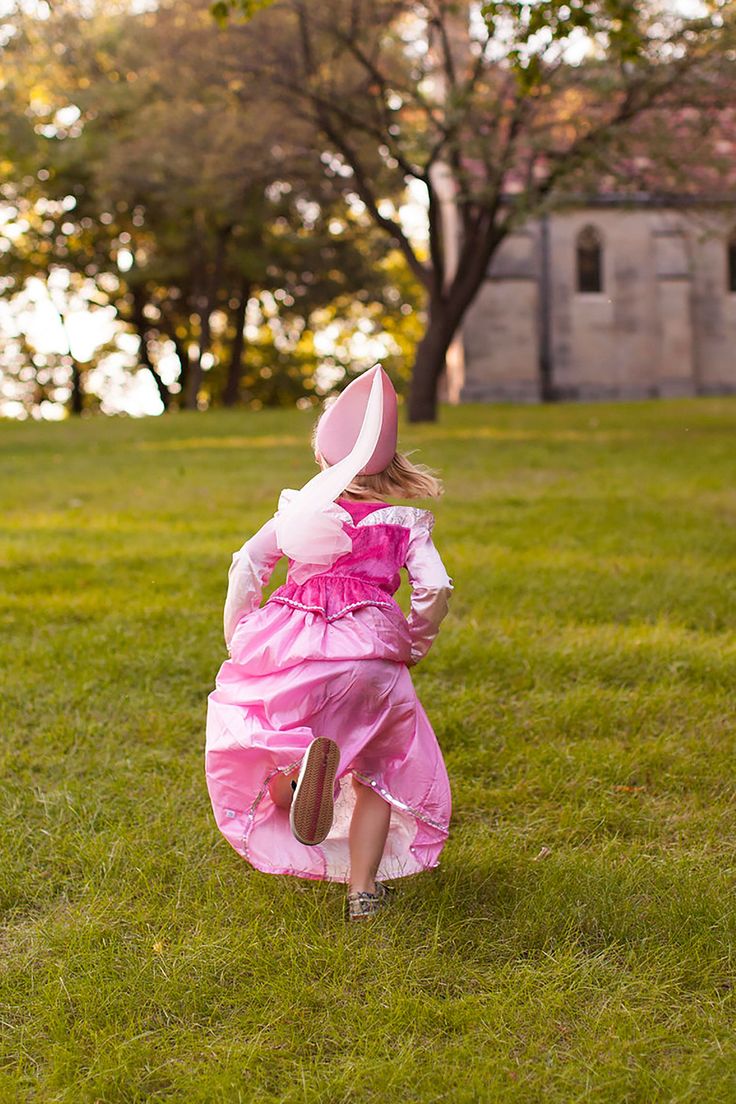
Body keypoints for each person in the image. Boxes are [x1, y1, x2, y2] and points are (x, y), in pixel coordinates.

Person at [205, 365, 453, 920]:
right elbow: (435, 587)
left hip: (297, 655)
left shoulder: (301, 508)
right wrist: (413, 641)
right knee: (377, 773)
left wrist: (240, 634)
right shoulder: (404, 520)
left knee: (269, 743)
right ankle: (362, 892)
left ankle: (296, 781)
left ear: (321, 456)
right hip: (369, 658)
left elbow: (247, 565)